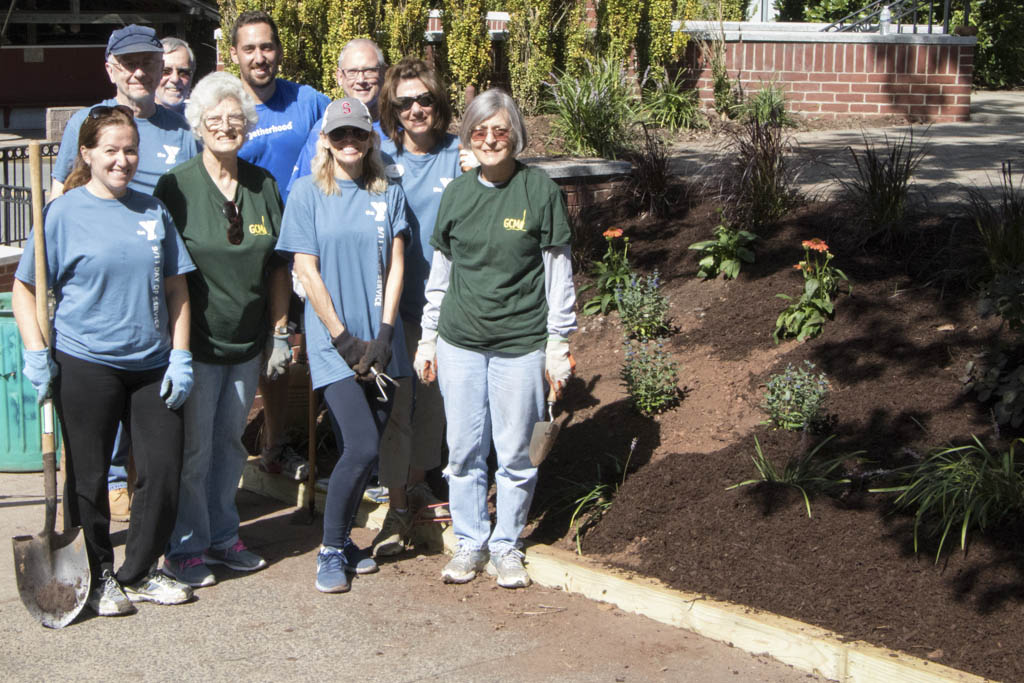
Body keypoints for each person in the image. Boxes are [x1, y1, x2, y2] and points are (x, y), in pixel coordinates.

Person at [12, 105, 196, 616]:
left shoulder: (153, 210)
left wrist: (180, 354)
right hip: (86, 361)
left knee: (161, 470)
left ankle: (137, 572)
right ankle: (95, 576)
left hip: (152, 363)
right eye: (111, 150)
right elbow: (25, 290)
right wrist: (35, 352)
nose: (122, 160)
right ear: (87, 153)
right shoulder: (62, 214)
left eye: (130, 150)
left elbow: (178, 288)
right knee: (89, 478)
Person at [416, 89, 577, 589]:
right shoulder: (457, 195)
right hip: (459, 340)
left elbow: (559, 276)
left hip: (520, 344)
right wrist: (427, 338)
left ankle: (507, 544)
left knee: (513, 454)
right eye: (479, 131)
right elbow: (440, 275)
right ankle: (470, 541)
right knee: (462, 451)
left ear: (517, 136)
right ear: (467, 136)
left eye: (500, 131)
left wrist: (557, 344)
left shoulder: (540, 192)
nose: (489, 140)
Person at [49, 23, 199, 522]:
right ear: (111, 67)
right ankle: (105, 498)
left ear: (161, 66)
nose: (140, 71)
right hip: (99, 290)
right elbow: (61, 202)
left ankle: (144, 515)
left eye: (149, 62)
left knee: (153, 424)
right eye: (129, 62)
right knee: (94, 428)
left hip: (163, 281)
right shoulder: (88, 122)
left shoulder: (181, 128)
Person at [154, 72, 290, 588]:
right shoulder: (177, 186)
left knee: (230, 444)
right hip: (196, 343)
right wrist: (173, 347)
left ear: (247, 126)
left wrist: (278, 332)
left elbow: (278, 265)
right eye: (215, 118)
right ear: (199, 124)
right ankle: (184, 547)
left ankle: (222, 537)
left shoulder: (263, 185)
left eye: (235, 118)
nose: (226, 125)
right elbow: (165, 271)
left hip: (246, 341)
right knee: (194, 451)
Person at [276, 97, 411, 593]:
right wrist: (342, 339)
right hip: (335, 344)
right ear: (326, 142)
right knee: (361, 443)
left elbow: (396, 265)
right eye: (340, 136)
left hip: (378, 342)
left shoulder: (387, 192)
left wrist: (385, 335)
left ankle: (347, 543)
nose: (349, 143)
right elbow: (305, 272)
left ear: (370, 138)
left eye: (358, 134)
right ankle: (330, 550)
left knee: (365, 454)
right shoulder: (307, 194)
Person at [230, 9, 329, 479]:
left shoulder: (306, 100)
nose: (259, 57)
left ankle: (300, 440)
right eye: (249, 49)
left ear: (279, 51)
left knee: (302, 344)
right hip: (253, 249)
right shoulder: (228, 109)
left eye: (266, 47)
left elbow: (351, 130)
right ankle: (263, 441)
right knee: (263, 351)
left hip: (306, 246)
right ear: (235, 55)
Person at [369, 58, 461, 557]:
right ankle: (396, 503)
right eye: (405, 101)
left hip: (448, 305)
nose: (416, 109)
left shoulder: (458, 155)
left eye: (424, 99)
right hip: (396, 305)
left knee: (435, 403)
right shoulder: (377, 159)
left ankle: (421, 481)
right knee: (398, 404)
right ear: (392, 108)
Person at [286, 38, 387, 195]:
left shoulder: (400, 127)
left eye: (369, 71)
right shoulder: (323, 129)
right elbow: (300, 194)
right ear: (340, 77)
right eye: (352, 72)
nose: (361, 80)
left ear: (383, 73)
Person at [156, 36, 195, 114]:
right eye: (165, 71)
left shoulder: (201, 120)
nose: (175, 79)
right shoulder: (130, 121)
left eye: (183, 72)